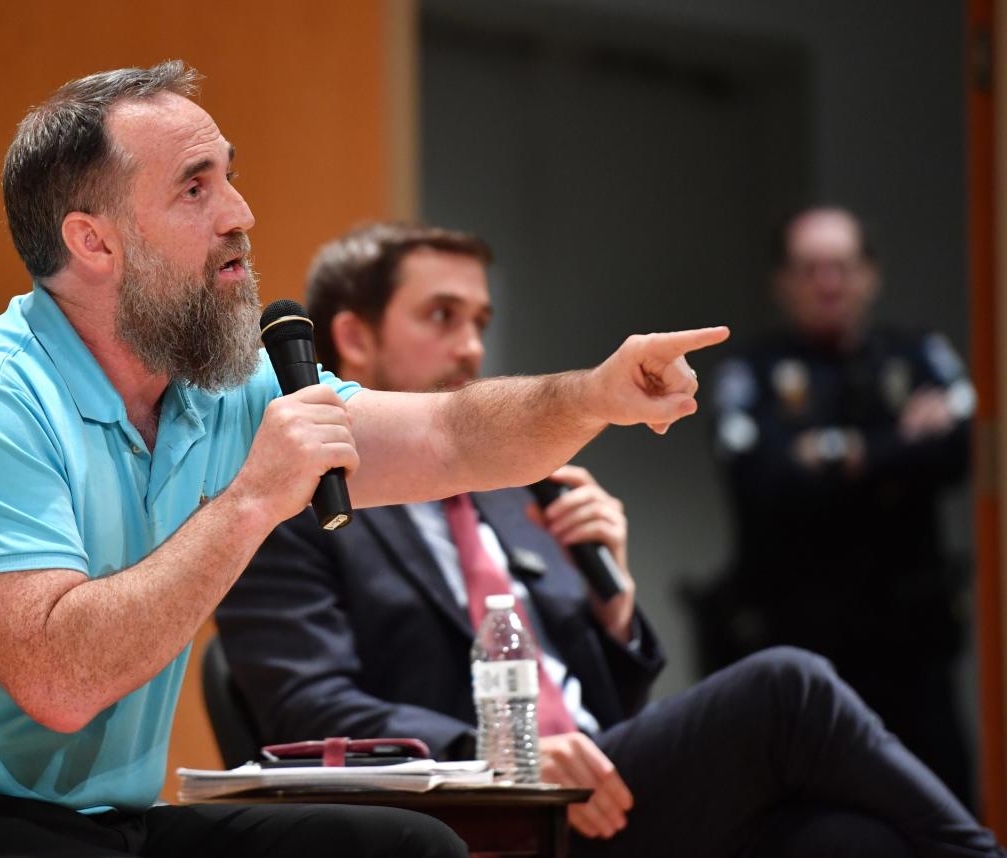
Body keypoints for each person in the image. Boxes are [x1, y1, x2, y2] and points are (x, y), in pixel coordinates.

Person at [0, 62, 728, 858]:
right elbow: (60, 681)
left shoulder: (220, 389)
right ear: (92, 240)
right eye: (196, 187)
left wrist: (593, 395)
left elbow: (449, 435)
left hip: (96, 826)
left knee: (409, 849)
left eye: (229, 175)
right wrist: (252, 499)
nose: (240, 211)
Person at [215, 222, 1005, 857]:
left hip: (605, 795)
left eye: (480, 322)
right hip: (479, 815)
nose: (471, 347)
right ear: (352, 336)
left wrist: (615, 606)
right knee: (785, 685)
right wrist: (497, 750)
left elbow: (605, 705)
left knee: (850, 841)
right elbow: (306, 707)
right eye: (441, 317)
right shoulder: (295, 502)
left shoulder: (511, 494)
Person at [699, 205, 976, 807]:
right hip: (803, 651)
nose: (829, 283)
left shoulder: (917, 352)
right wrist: (900, 443)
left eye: (843, 267)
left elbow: (960, 452)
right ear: (783, 282)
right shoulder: (752, 371)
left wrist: (836, 456)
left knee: (944, 820)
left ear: (870, 274)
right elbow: (763, 479)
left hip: (914, 651)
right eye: (810, 269)